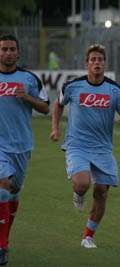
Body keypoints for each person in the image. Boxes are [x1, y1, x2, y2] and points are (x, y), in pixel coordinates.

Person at [50, 44, 120, 249]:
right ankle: (78, 194)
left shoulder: (115, 90)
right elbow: (59, 105)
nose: (97, 63)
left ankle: (88, 236)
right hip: (77, 145)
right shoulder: (73, 86)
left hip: (103, 148)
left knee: (102, 192)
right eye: (93, 60)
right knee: (82, 183)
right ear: (87, 63)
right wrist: (55, 128)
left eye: (100, 60)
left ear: (104, 63)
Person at [0, 34, 50, 265]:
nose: (7, 53)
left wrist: (27, 98)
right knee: (3, 188)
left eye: (11, 49)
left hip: (21, 145)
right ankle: (2, 247)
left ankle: (4, 240)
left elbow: (45, 108)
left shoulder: (29, 79)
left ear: (18, 53)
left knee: (14, 193)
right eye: (3, 49)